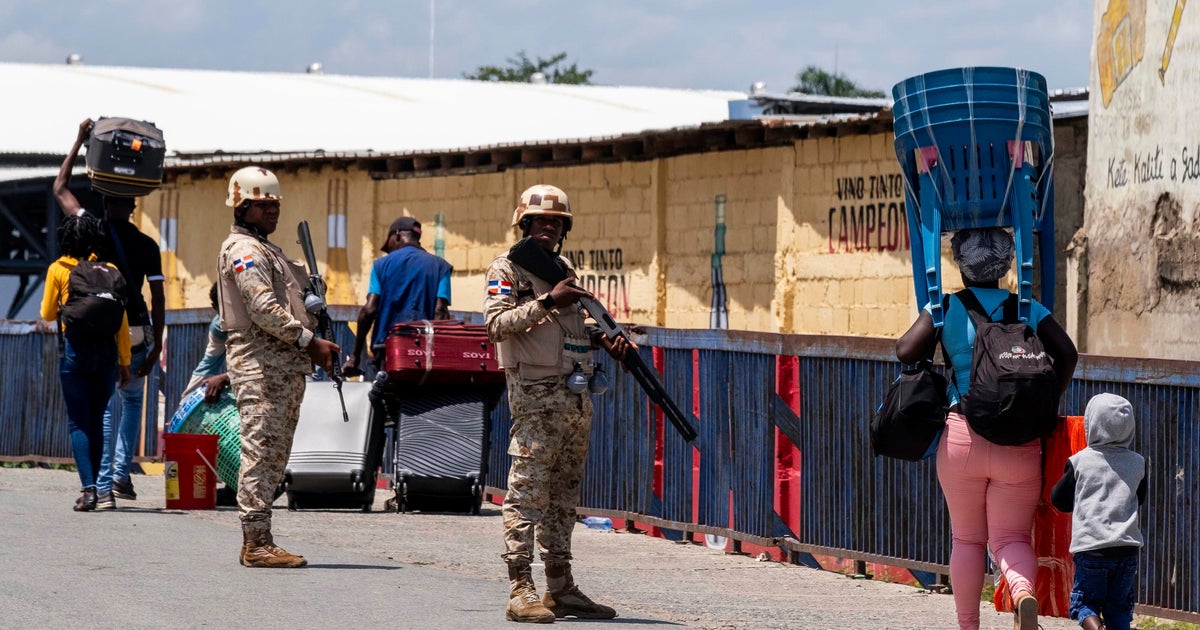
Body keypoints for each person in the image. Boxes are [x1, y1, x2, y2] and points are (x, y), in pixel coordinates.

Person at [895, 227, 1078, 630]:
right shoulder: (1028, 307)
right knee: (1011, 537)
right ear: (1006, 263)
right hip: (1020, 440)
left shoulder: (946, 306)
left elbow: (905, 350)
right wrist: (1047, 404)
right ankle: (1022, 591)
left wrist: (934, 313)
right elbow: (1067, 352)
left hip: (962, 437)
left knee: (967, 540)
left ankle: (968, 626)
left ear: (961, 264)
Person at [484, 184, 631, 623]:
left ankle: (561, 587)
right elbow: (496, 325)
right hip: (535, 398)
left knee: (563, 500)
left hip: (573, 397)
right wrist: (549, 300)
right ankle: (519, 588)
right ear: (524, 226)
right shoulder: (507, 269)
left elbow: (569, 331)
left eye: (557, 222)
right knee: (526, 494)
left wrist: (603, 338)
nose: (549, 227)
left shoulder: (561, 268)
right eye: (540, 221)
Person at [217, 166, 339, 568]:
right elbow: (263, 308)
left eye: (274, 205)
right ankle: (256, 542)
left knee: (274, 453)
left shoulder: (267, 249)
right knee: (261, 450)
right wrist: (309, 341)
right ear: (242, 205)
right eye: (262, 205)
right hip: (260, 366)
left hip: (282, 368)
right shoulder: (244, 251)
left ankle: (260, 538)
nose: (272, 211)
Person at [54, 118, 166, 506]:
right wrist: (155, 344)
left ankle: (101, 487)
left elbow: (60, 188)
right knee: (133, 401)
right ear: (134, 207)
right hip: (136, 331)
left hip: (100, 329)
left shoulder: (90, 231)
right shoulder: (148, 245)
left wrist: (78, 141)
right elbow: (159, 298)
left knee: (101, 409)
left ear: (104, 201)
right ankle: (120, 475)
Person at [39, 214, 132, 511]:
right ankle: (102, 490)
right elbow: (121, 320)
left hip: (76, 352)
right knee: (97, 421)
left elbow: (47, 314)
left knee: (78, 421)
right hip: (106, 354)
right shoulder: (110, 269)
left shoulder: (58, 269)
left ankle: (89, 490)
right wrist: (125, 361)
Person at [1051, 393, 1146, 630]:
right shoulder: (1138, 462)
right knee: (1119, 609)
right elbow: (1140, 498)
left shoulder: (1079, 461)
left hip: (1091, 550)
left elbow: (1059, 500)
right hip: (1127, 550)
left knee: (1085, 604)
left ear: (1091, 424)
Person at [341, 216, 452, 377]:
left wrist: (355, 356)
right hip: (425, 355)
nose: (390, 251)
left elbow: (369, 310)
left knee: (384, 399)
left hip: (388, 353)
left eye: (389, 246)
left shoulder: (380, 265)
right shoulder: (441, 267)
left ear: (397, 235)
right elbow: (440, 311)